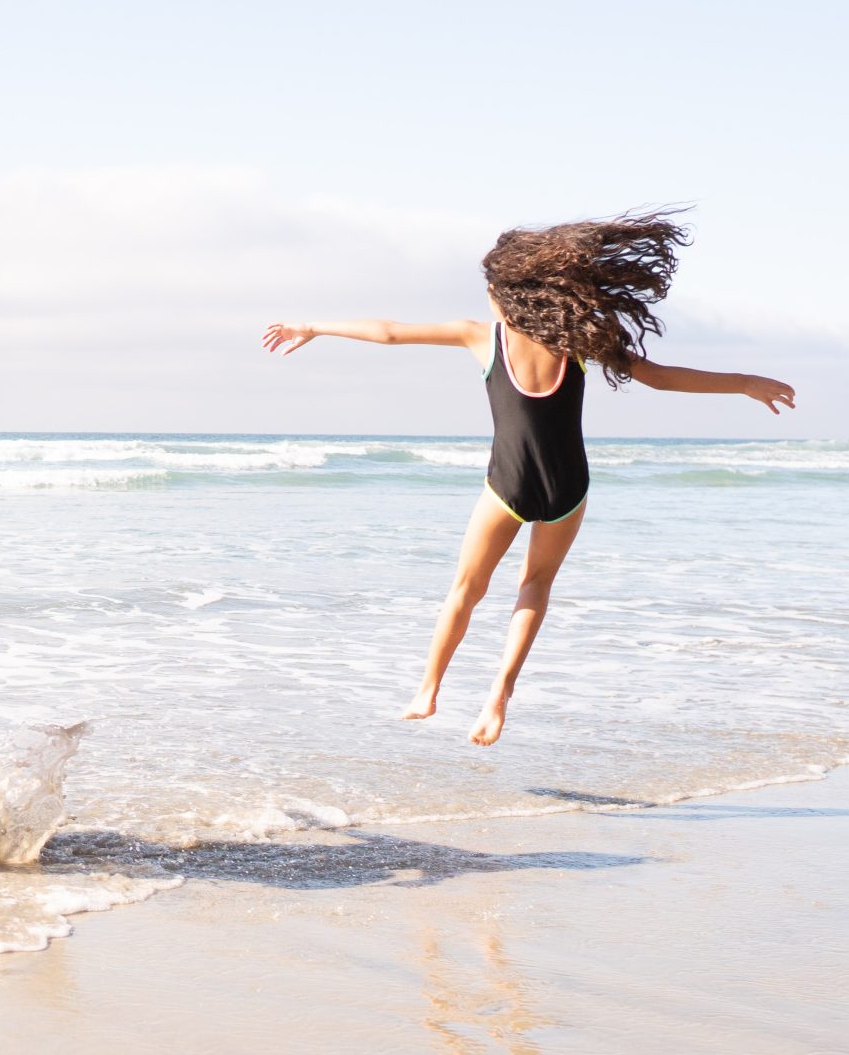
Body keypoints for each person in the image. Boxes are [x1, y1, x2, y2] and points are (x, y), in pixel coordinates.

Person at [262, 211, 796, 745]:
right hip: (568, 486)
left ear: (508, 294)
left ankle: (428, 689)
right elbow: (659, 378)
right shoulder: (580, 341)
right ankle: (499, 694)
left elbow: (390, 333)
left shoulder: (483, 337)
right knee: (535, 585)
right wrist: (744, 382)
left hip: (508, 485)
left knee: (466, 590)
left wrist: (313, 326)